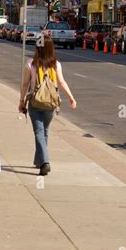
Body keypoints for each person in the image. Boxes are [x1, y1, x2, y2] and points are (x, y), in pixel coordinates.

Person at [18, 34, 76, 176]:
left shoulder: (30, 64)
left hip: (35, 102)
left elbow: (25, 84)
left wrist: (21, 101)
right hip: (51, 103)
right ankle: (40, 162)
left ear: (38, 47)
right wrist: (71, 98)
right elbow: (61, 82)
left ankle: (45, 162)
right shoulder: (56, 64)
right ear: (51, 49)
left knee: (39, 132)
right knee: (44, 132)